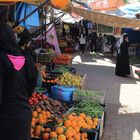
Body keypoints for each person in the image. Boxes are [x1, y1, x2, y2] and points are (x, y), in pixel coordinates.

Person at [0, 23, 37, 140]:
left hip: (5, 119)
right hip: (24, 114)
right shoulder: (26, 59)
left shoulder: (1, 60)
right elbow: (32, 88)